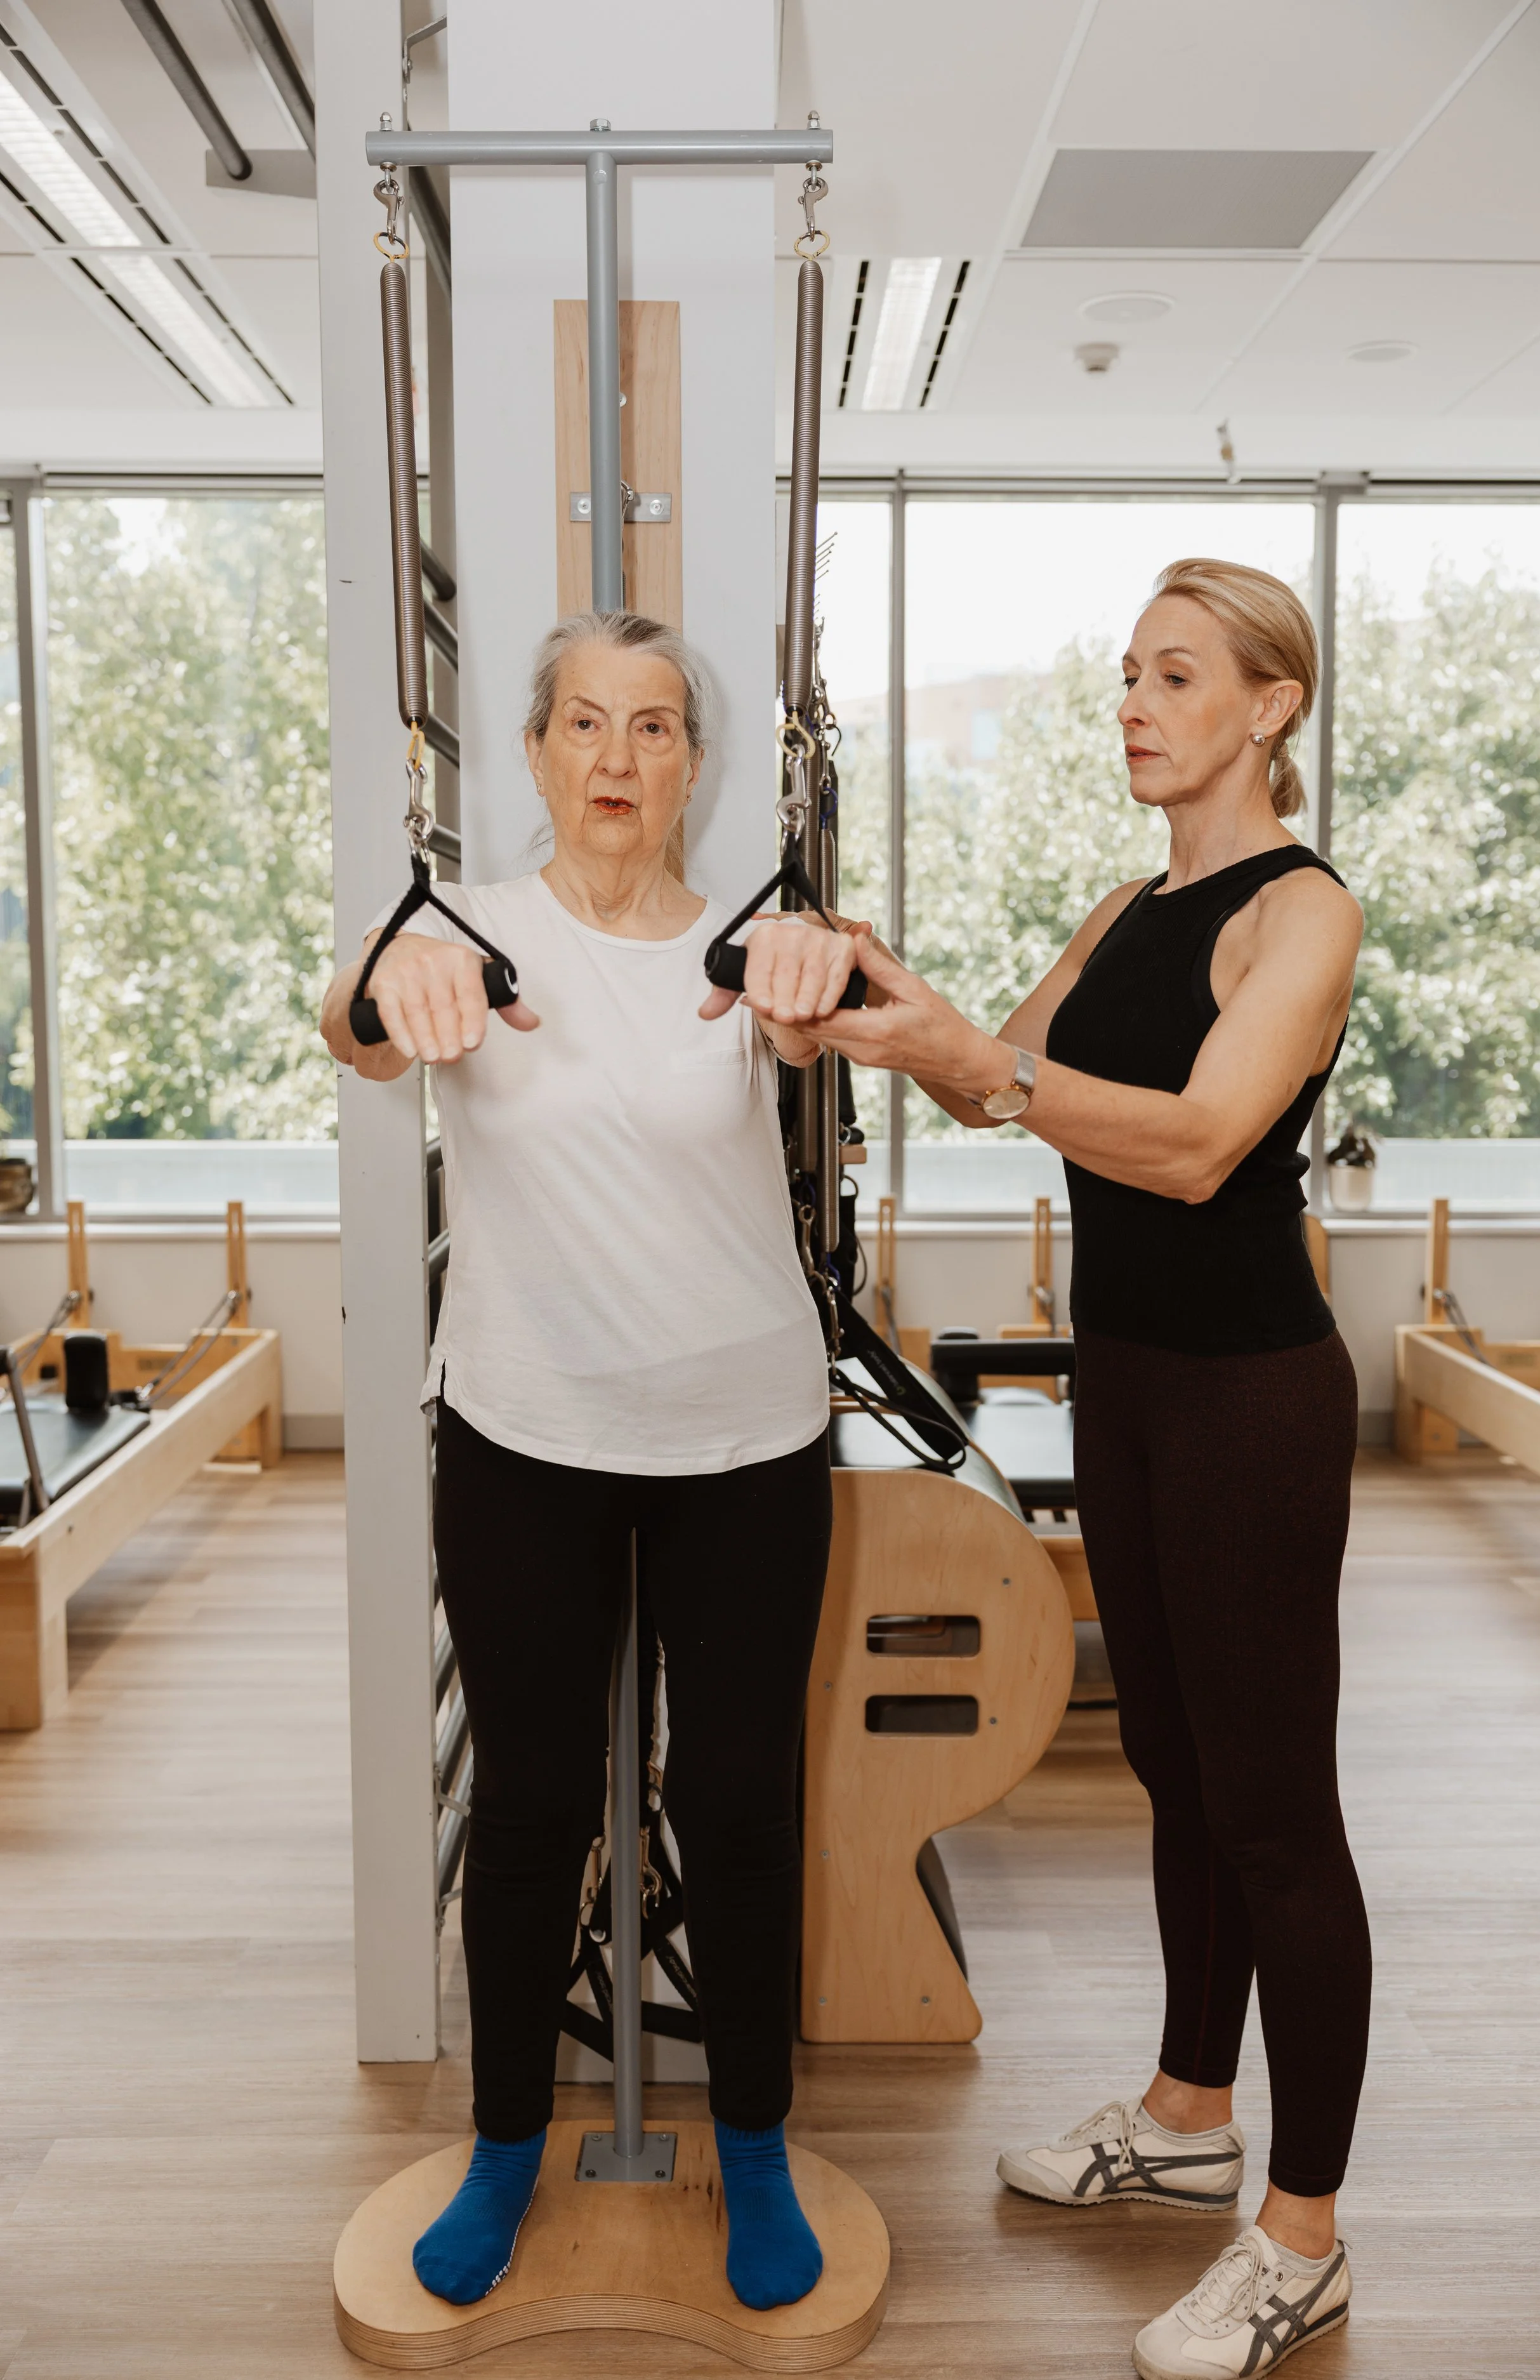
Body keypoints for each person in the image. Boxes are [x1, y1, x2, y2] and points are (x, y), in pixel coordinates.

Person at [731, 559, 1370, 2380]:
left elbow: (1188, 1143)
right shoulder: (1124, 904)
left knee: (1275, 1809)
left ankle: (1302, 2235)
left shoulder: (1297, 913)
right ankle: (1184, 2113)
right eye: (1122, 677)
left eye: (1174, 676)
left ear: (1266, 706)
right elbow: (978, 1069)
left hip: (1251, 1393)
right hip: (1133, 1378)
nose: (1133, 705)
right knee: (1170, 1760)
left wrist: (974, 1061)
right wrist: (859, 996)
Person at [320, 609, 840, 2315]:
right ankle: (502, 2145)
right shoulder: (462, 931)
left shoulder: (760, 942)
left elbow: (848, 989)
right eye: (587, 724)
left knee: (738, 1805)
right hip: (527, 1432)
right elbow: (356, 1022)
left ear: (696, 762)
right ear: (534, 748)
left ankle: (752, 2147)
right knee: (532, 1806)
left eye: (657, 727)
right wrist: (370, 980)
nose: (619, 758)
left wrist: (835, 964)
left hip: (745, 1438)